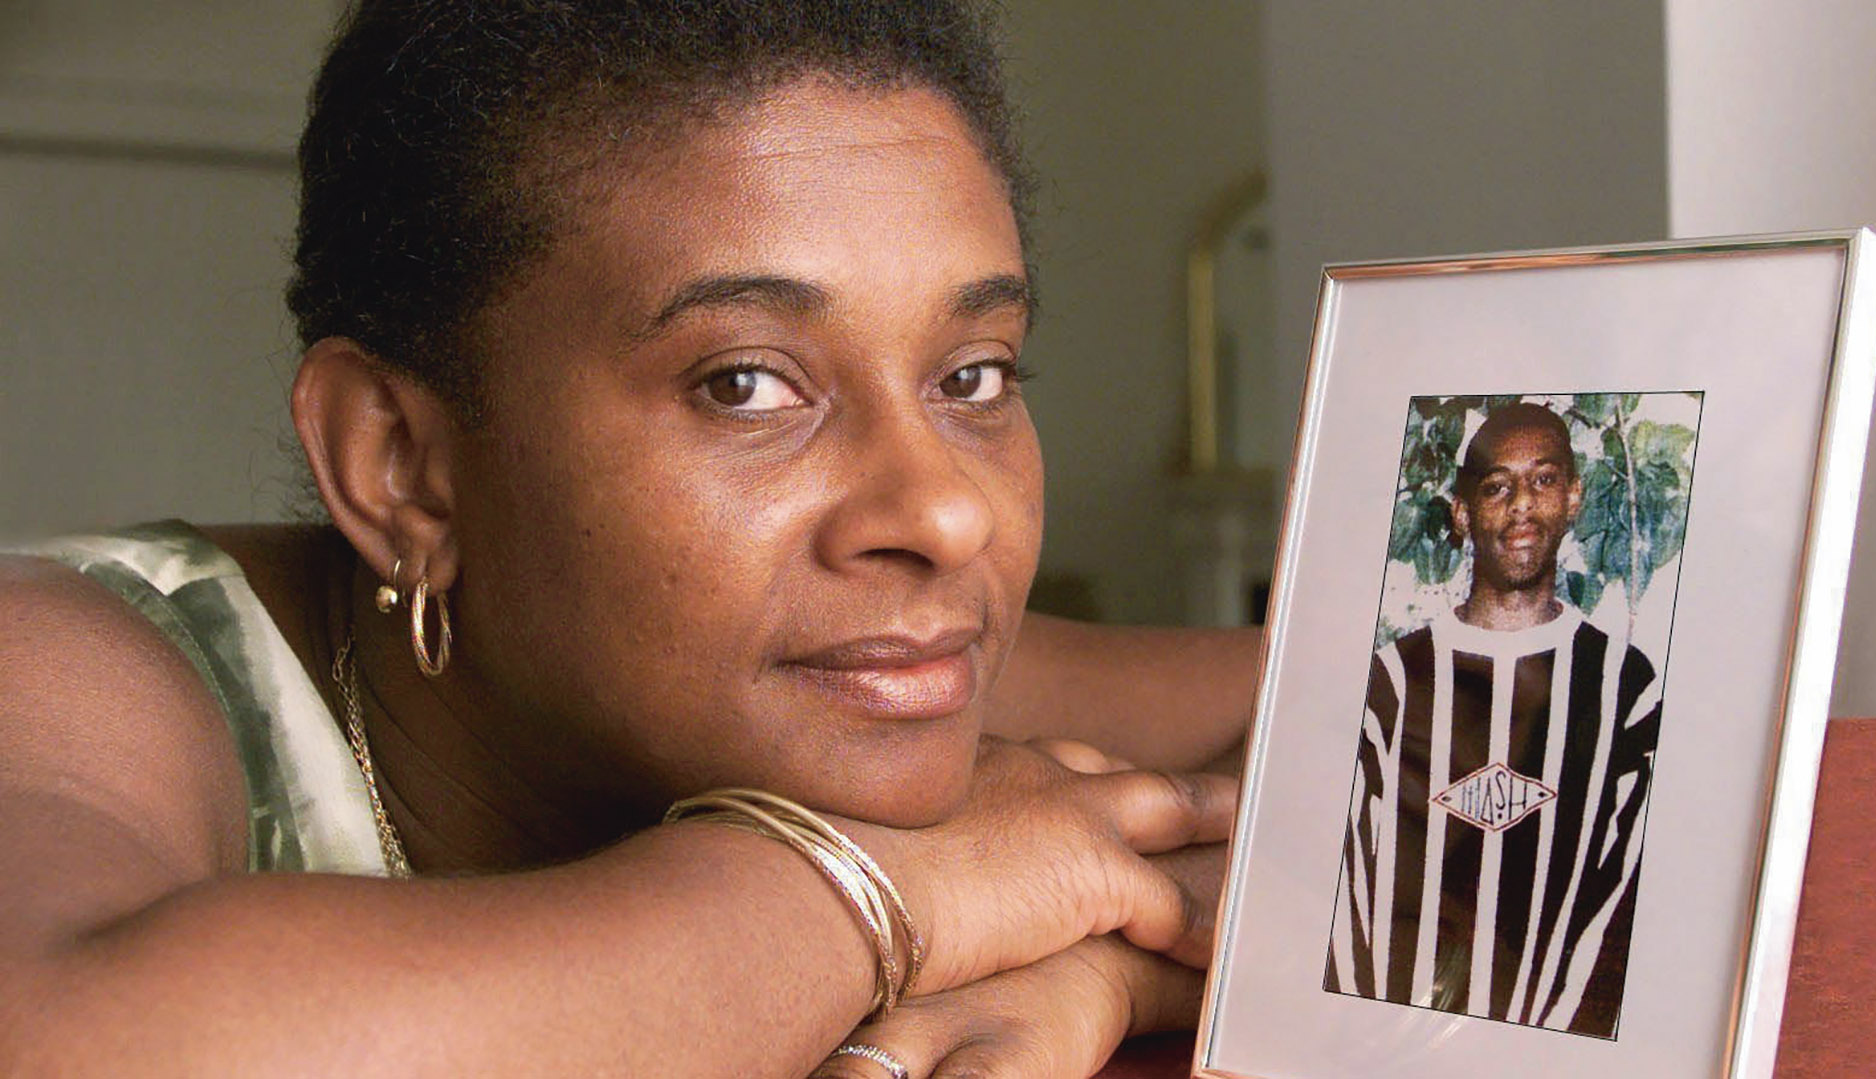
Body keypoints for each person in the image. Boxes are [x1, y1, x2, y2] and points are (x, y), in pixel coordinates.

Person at [0, 3, 1260, 1076]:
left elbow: (1432, 725)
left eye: (974, 374)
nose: (943, 513)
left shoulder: (874, 658)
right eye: (745, 385)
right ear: (403, 466)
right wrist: (898, 891)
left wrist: (1112, 962)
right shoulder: (68, 662)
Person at [1324, 402, 1662, 1039]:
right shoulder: (1389, 681)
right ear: (1462, 511)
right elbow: (1344, 886)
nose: (1522, 506)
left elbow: (1626, 895)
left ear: (1572, 498)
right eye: (1497, 487)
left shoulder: (1626, 686)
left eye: (1542, 480)